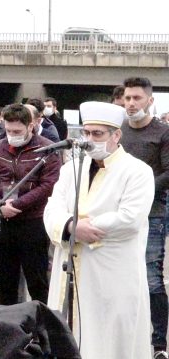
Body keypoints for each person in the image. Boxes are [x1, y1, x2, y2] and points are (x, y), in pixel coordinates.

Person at [44, 101, 154, 359]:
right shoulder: (70, 168)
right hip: (70, 267)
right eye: (86, 132)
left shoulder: (137, 171)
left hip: (112, 272)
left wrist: (82, 228)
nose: (89, 139)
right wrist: (70, 227)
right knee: (71, 335)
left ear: (116, 135)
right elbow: (52, 209)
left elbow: (130, 218)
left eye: (97, 134)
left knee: (110, 340)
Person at [0, 103, 61, 305]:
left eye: (17, 131)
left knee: (38, 282)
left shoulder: (47, 150)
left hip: (33, 222)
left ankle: (41, 329)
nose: (12, 135)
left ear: (31, 125)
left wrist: (18, 205)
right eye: (8, 130)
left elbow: (48, 186)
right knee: (5, 282)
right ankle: (9, 328)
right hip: (2, 222)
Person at [119, 77, 169, 358]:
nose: (131, 104)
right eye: (127, 98)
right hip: (119, 215)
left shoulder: (163, 132)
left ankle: (159, 344)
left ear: (150, 100)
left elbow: (168, 173)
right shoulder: (118, 131)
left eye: (137, 98)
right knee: (123, 278)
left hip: (153, 214)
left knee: (151, 279)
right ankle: (129, 336)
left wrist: (142, 192)